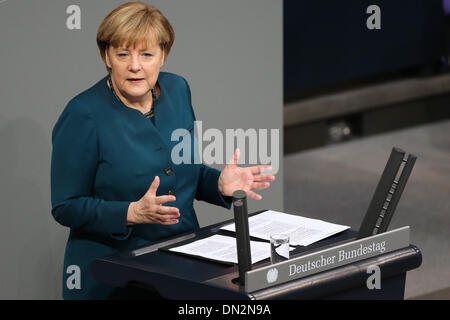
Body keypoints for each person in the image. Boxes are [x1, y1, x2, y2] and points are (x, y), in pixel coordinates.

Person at [50, 2, 275, 300]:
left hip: (182, 262)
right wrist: (131, 212)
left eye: (146, 54)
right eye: (122, 54)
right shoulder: (83, 114)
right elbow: (65, 205)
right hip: (113, 277)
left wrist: (218, 184)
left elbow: (183, 168)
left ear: (163, 56)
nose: (135, 65)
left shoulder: (178, 90)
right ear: (107, 56)